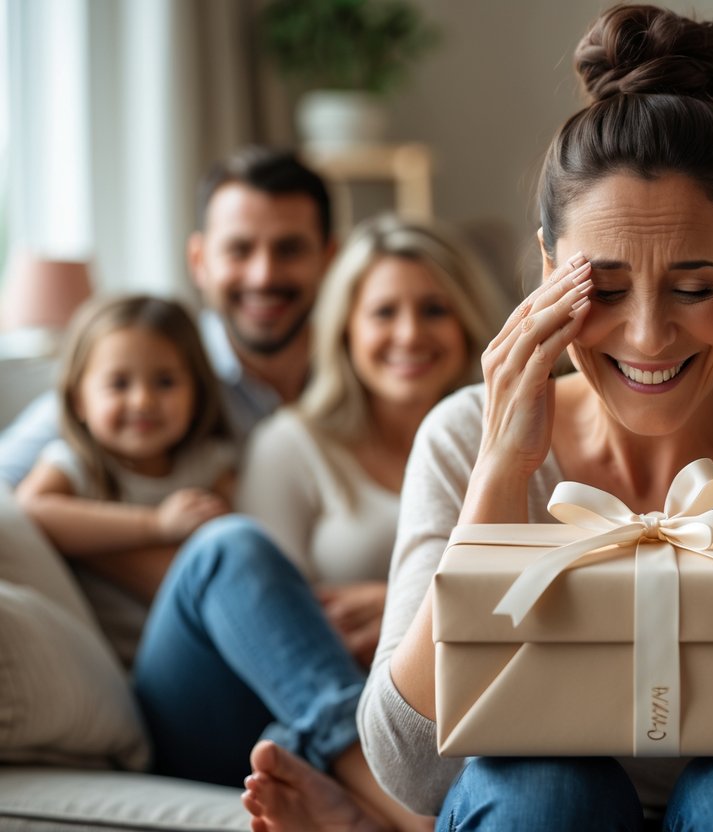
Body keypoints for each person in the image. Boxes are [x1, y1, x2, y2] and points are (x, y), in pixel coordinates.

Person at [239, 7, 713, 831]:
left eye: (694, 288)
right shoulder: (464, 432)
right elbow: (412, 775)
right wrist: (501, 469)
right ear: (546, 267)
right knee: (543, 788)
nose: (646, 336)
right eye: (601, 288)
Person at [131, 214, 508, 831]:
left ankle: (350, 792)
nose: (409, 334)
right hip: (258, 708)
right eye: (384, 313)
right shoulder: (293, 444)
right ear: (347, 329)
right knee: (229, 547)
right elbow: (272, 627)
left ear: (468, 320)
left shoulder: (503, 451)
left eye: (434, 309)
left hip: (424, 719)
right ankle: (397, 806)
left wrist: (402, 605)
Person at [0, 146, 334, 487]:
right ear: (199, 260)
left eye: (289, 250)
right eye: (239, 250)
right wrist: (155, 537)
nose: (263, 276)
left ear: (329, 258)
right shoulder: (153, 363)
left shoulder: (366, 370)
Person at [15, 296, 237, 604]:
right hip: (116, 650)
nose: (143, 401)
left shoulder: (208, 463)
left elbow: (236, 545)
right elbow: (31, 508)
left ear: (196, 394)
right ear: (79, 399)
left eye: (165, 381)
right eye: (119, 384)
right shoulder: (74, 463)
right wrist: (155, 524)